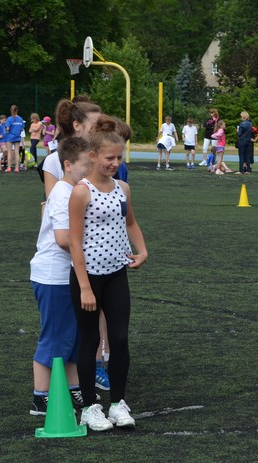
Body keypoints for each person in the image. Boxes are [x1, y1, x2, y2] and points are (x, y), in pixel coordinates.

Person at [69, 115, 148, 431]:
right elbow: (74, 242)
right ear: (92, 156)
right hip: (88, 277)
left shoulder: (123, 188)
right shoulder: (81, 192)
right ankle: (90, 407)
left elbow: (131, 223)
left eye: (119, 158)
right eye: (109, 158)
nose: (115, 163)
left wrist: (142, 250)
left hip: (116, 274)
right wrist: (85, 287)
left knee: (119, 338)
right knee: (89, 341)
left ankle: (118, 403)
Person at [28, 136, 92, 416]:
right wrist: (97, 248)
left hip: (68, 274)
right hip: (54, 275)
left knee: (73, 337)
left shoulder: (74, 190)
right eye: (85, 165)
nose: (90, 170)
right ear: (67, 165)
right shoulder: (63, 193)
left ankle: (72, 388)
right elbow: (64, 238)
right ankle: (41, 396)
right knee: (55, 336)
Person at [4, 105, 25, 173]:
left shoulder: (9, 119)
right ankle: (16, 168)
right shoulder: (20, 119)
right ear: (17, 110)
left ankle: (9, 167)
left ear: (11, 110)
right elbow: (22, 128)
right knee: (17, 152)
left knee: (9, 152)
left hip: (10, 137)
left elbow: (7, 128)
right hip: (17, 137)